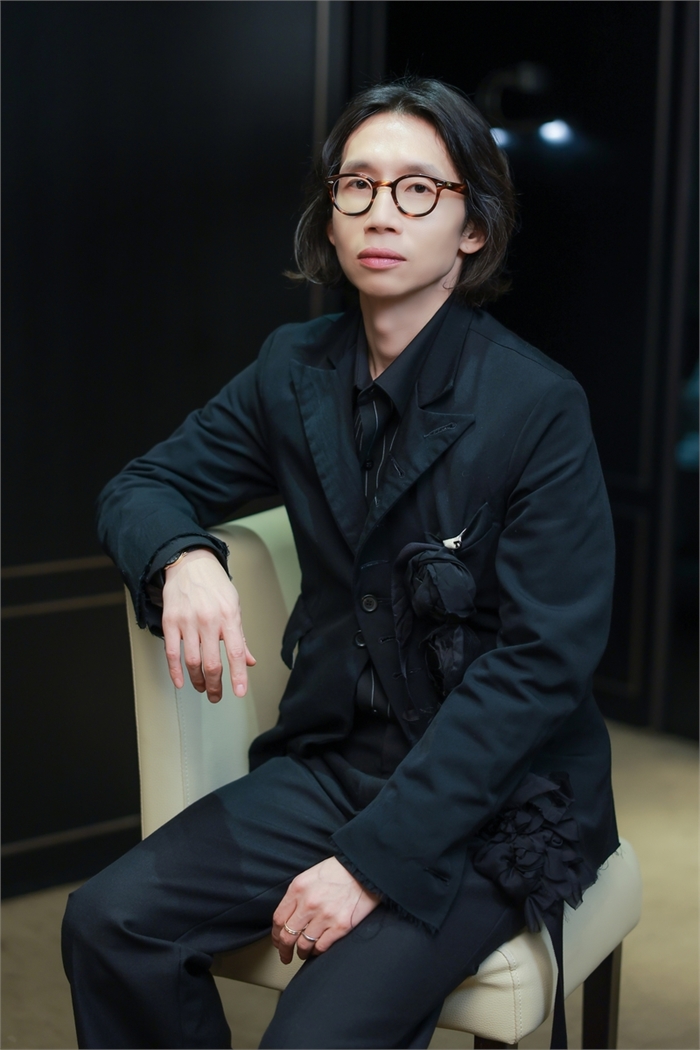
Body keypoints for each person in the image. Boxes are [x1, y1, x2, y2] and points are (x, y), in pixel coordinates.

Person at [62, 77, 619, 1050]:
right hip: (335, 761)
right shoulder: (294, 369)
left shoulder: (536, 405)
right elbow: (140, 486)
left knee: (316, 1035)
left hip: (491, 790)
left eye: (418, 189)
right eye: (356, 185)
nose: (380, 212)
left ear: (473, 227)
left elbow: (539, 667)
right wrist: (183, 557)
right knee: (109, 923)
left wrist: (370, 863)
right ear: (330, 212)